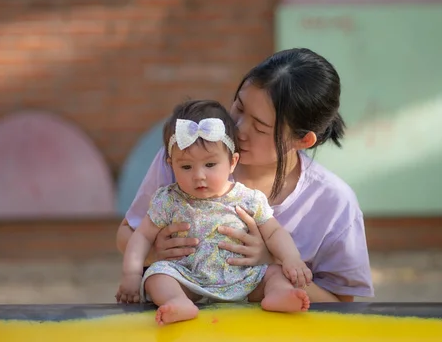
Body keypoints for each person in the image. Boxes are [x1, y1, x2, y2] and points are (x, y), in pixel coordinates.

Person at [117, 47, 374, 304]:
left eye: (260, 128)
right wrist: (154, 254)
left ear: (303, 140)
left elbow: (341, 307)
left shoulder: (333, 202)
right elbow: (127, 233)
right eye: (238, 107)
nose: (238, 128)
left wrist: (272, 260)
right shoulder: (186, 156)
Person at [116, 100, 313, 325]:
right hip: (187, 277)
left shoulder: (248, 198)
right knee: (156, 275)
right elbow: (141, 235)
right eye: (186, 167)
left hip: (242, 277)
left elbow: (274, 232)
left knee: (274, 272)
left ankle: (278, 294)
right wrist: (131, 274)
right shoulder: (168, 199)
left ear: (232, 162)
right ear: (171, 165)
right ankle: (177, 301)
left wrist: (291, 259)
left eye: (210, 165)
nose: (199, 175)